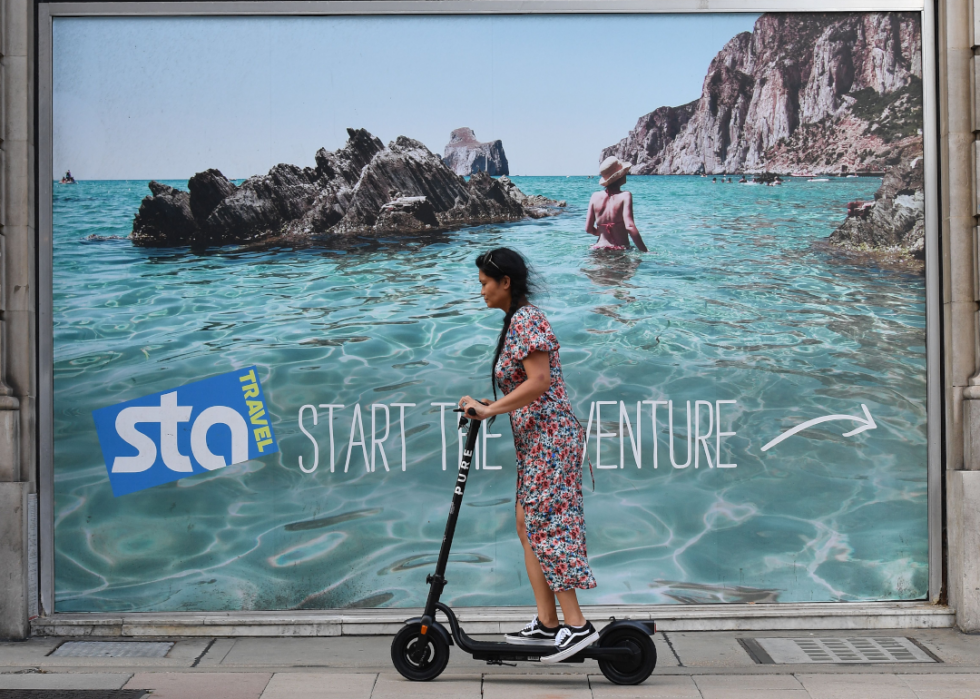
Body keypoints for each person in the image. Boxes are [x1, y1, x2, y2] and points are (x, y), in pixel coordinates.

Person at [458, 247, 598, 663]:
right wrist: (489, 404)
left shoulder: (527, 318)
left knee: (547, 526)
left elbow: (539, 381)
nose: (480, 290)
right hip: (537, 440)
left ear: (505, 282)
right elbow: (524, 386)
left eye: (484, 282)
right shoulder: (516, 321)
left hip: (551, 440)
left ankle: (577, 626)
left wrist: (490, 409)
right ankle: (547, 624)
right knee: (527, 525)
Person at [585, 157, 648, 252]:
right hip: (619, 249)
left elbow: (588, 229)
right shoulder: (625, 196)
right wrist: (645, 251)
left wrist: (602, 232)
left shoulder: (594, 196)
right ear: (620, 176)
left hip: (598, 248)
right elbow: (630, 226)